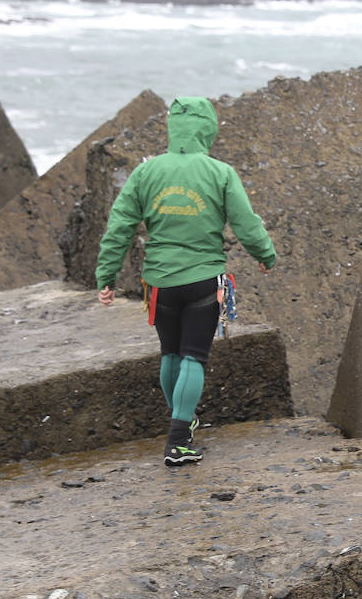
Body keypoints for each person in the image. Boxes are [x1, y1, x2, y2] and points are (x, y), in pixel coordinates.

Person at [95, 96, 277, 466]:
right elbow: (246, 221)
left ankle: (182, 420)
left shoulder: (146, 173)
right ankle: (178, 440)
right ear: (207, 129)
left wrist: (106, 275)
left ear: (172, 128)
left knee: (171, 353)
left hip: (159, 283)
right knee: (195, 355)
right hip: (203, 280)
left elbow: (120, 226)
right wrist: (264, 255)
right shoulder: (220, 172)